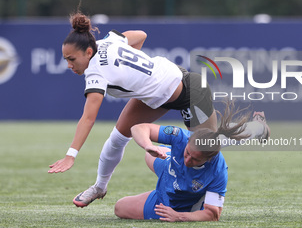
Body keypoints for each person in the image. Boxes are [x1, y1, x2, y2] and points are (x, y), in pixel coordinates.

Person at [48, 11, 218, 207]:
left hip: (191, 91)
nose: (69, 65)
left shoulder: (95, 72)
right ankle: (99, 187)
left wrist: (71, 155)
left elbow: (88, 118)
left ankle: (209, 204)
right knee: (118, 137)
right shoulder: (108, 41)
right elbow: (141, 35)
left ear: (88, 52)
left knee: (205, 152)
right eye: (66, 60)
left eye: (72, 59)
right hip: (160, 90)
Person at [114, 104, 270, 222]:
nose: (188, 160)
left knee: (119, 208)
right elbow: (138, 128)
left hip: (176, 205)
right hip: (170, 169)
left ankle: (259, 127)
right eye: (187, 153)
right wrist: (148, 145)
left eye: (195, 159)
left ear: (208, 159)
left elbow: (213, 214)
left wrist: (179, 216)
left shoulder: (218, 170)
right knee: (149, 156)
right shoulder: (181, 136)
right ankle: (258, 127)